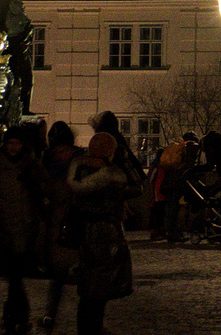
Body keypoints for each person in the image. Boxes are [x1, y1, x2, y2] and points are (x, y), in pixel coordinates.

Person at [68, 131, 141, 335]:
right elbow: (137, 187)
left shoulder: (79, 169)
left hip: (85, 231)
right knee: (100, 286)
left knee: (89, 286)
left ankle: (87, 327)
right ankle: (92, 328)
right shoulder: (112, 176)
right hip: (106, 232)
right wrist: (124, 162)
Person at [0, 124, 48, 335]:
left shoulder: (32, 165)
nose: (13, 147)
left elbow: (43, 189)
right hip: (5, 229)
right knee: (15, 275)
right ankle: (18, 316)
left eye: (17, 143)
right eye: (10, 143)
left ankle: (13, 317)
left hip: (27, 228)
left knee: (15, 276)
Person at [39, 121, 83, 333]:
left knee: (63, 272)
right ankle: (56, 313)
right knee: (64, 271)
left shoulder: (53, 160)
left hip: (66, 220)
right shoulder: (75, 158)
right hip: (67, 220)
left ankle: (53, 313)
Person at [155, 131, 199, 242]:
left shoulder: (176, 147)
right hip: (178, 182)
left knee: (170, 207)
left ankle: (170, 232)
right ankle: (173, 233)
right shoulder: (191, 147)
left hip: (169, 181)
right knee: (175, 208)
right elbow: (189, 167)